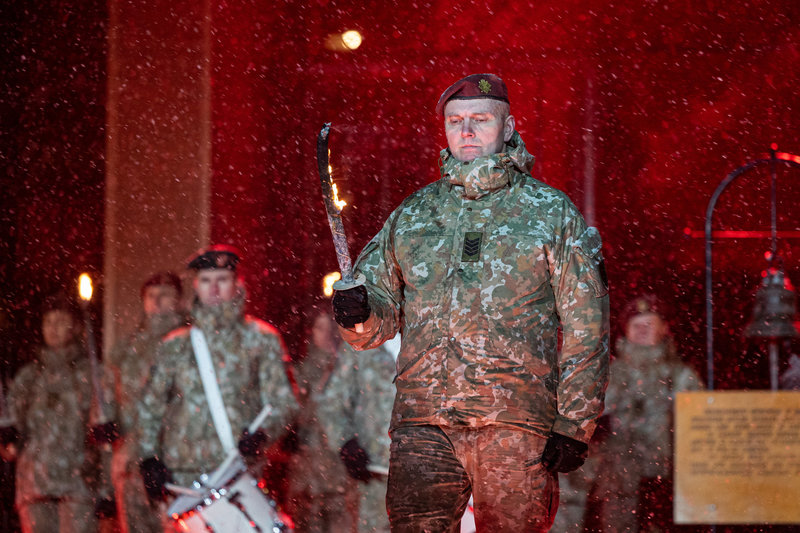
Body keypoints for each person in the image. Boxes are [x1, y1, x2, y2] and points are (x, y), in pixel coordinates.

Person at [331, 73, 610, 532]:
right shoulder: (414, 213)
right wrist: (358, 315)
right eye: (455, 121)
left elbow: (587, 325)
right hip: (424, 423)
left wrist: (574, 422)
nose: (465, 130)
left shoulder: (549, 213)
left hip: (514, 423)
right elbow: (375, 322)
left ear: (508, 126)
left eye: (480, 119)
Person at [136, 246, 299, 512]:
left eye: (222, 280)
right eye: (206, 281)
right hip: (182, 472)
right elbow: (150, 408)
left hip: (238, 470)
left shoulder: (261, 339)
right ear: (196, 287)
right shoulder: (174, 345)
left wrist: (262, 435)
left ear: (237, 284)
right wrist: (148, 459)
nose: (214, 289)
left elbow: (283, 402)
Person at [587, 295, 702, 532]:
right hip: (615, 484)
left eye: (649, 324)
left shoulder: (681, 376)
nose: (642, 330)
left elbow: (701, 430)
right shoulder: (606, 376)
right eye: (636, 325)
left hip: (667, 482)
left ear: (664, 328)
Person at [2, 292, 104, 532]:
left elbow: (103, 432)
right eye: (48, 322)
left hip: (78, 482)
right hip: (35, 482)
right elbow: (13, 425)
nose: (53, 328)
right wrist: (8, 438)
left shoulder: (91, 375)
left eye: (60, 321)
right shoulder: (29, 376)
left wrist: (105, 484)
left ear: (76, 326)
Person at [106, 272, 186, 533]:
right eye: (151, 296)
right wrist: (108, 424)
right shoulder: (127, 349)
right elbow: (110, 398)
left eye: (165, 295)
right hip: (131, 460)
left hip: (176, 459)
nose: (158, 302)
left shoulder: (190, 342)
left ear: (179, 300)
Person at [285, 309, 353, 533]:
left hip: (340, 473)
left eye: (330, 328)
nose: (325, 334)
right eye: (319, 328)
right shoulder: (300, 372)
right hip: (307, 474)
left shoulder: (348, 370)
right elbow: (293, 415)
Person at [317, 338, 396, 533]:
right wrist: (346, 443)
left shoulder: (438, 334)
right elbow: (331, 403)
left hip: (433, 476)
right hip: (375, 477)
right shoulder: (363, 342)